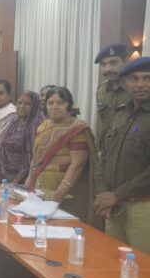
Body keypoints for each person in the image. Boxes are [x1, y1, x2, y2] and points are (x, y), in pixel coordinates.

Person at [94, 57, 150, 253]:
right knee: (113, 262)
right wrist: (104, 194)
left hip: (143, 207)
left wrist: (116, 196)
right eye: (133, 79)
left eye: (147, 78)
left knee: (143, 266)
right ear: (125, 83)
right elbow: (104, 154)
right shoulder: (119, 115)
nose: (140, 84)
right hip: (114, 207)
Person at [26, 87, 96, 223]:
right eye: (50, 103)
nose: (54, 107)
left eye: (60, 103)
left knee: (60, 227)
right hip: (39, 187)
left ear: (69, 105)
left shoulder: (77, 128)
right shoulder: (43, 125)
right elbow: (36, 156)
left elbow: (78, 164)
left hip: (64, 191)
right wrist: (29, 181)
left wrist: (59, 193)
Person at [0, 91, 45, 183]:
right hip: (5, 174)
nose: (22, 106)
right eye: (19, 103)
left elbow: (31, 157)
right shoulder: (16, 120)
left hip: (21, 178)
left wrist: (17, 179)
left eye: (28, 104)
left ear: (35, 106)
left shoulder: (35, 125)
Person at [95, 43, 130, 139]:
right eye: (103, 64)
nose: (108, 69)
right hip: (107, 145)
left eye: (113, 63)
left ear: (125, 61)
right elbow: (104, 122)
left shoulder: (137, 89)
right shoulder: (101, 91)